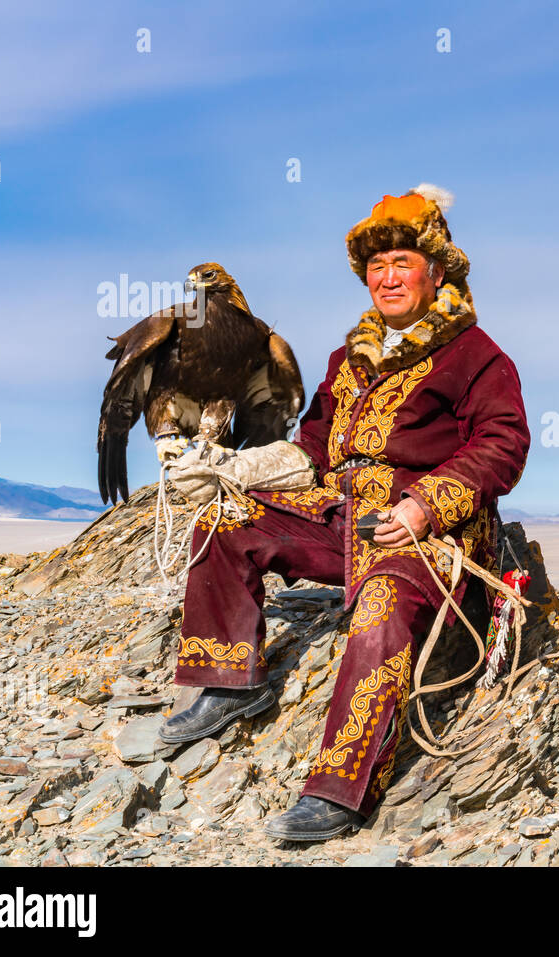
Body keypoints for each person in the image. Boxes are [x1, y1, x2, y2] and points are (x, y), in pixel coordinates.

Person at [159, 184, 530, 842]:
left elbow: (503, 442)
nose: (388, 277)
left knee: (380, 607)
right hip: (343, 516)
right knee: (224, 521)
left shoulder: (477, 355)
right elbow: (312, 444)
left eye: (403, 263)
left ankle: (338, 790)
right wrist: (237, 469)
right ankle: (229, 679)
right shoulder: (347, 357)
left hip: (428, 537)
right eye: (377, 266)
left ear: (436, 272)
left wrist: (425, 505)